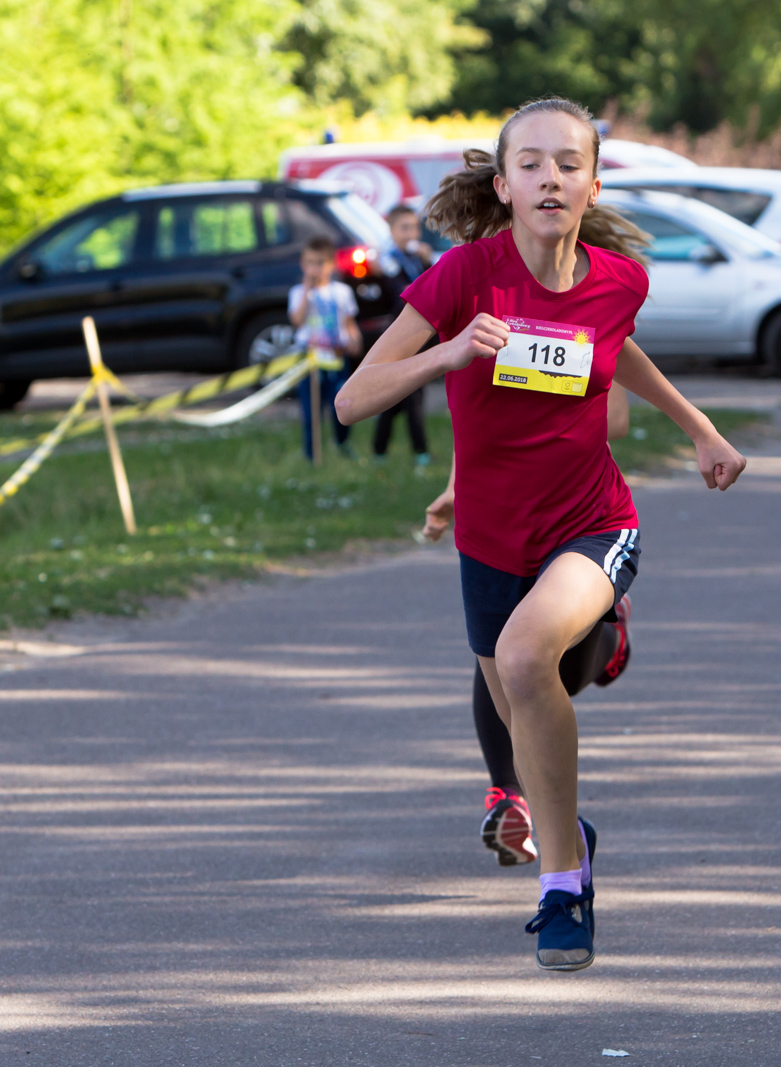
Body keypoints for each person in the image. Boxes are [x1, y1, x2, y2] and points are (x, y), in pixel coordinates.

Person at [334, 96, 747, 972]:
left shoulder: (618, 280)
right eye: (531, 163)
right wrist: (448, 355)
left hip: (594, 522)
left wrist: (699, 426)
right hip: (491, 538)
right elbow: (353, 398)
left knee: (526, 660)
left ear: (594, 183)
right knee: (519, 700)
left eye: (568, 162)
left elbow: (614, 348)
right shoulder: (461, 278)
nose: (550, 176)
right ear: (504, 183)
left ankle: (561, 887)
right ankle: (572, 831)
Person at [421, 385, 634, 867]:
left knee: (556, 667)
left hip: (575, 515)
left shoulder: (590, 311)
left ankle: (611, 636)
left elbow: (616, 418)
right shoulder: (486, 317)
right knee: (503, 650)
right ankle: (509, 792)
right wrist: (459, 485)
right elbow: (476, 411)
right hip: (498, 520)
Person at [372, 205, 437, 465]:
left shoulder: (418, 258)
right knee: (411, 394)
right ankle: (420, 452)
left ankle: (379, 450)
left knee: (396, 397)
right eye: (405, 228)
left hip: (419, 335)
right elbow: (400, 294)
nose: (412, 234)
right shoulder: (386, 259)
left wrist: (428, 261)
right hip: (397, 336)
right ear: (391, 230)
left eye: (415, 227)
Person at [289, 235, 362, 459]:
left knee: (341, 403)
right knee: (311, 409)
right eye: (309, 263)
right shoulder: (298, 293)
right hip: (309, 359)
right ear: (303, 265)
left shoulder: (342, 292)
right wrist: (306, 292)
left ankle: (342, 443)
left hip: (337, 356)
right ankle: (311, 453)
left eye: (319, 263)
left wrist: (355, 339)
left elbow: (349, 322)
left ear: (331, 265)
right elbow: (297, 320)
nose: (314, 269)